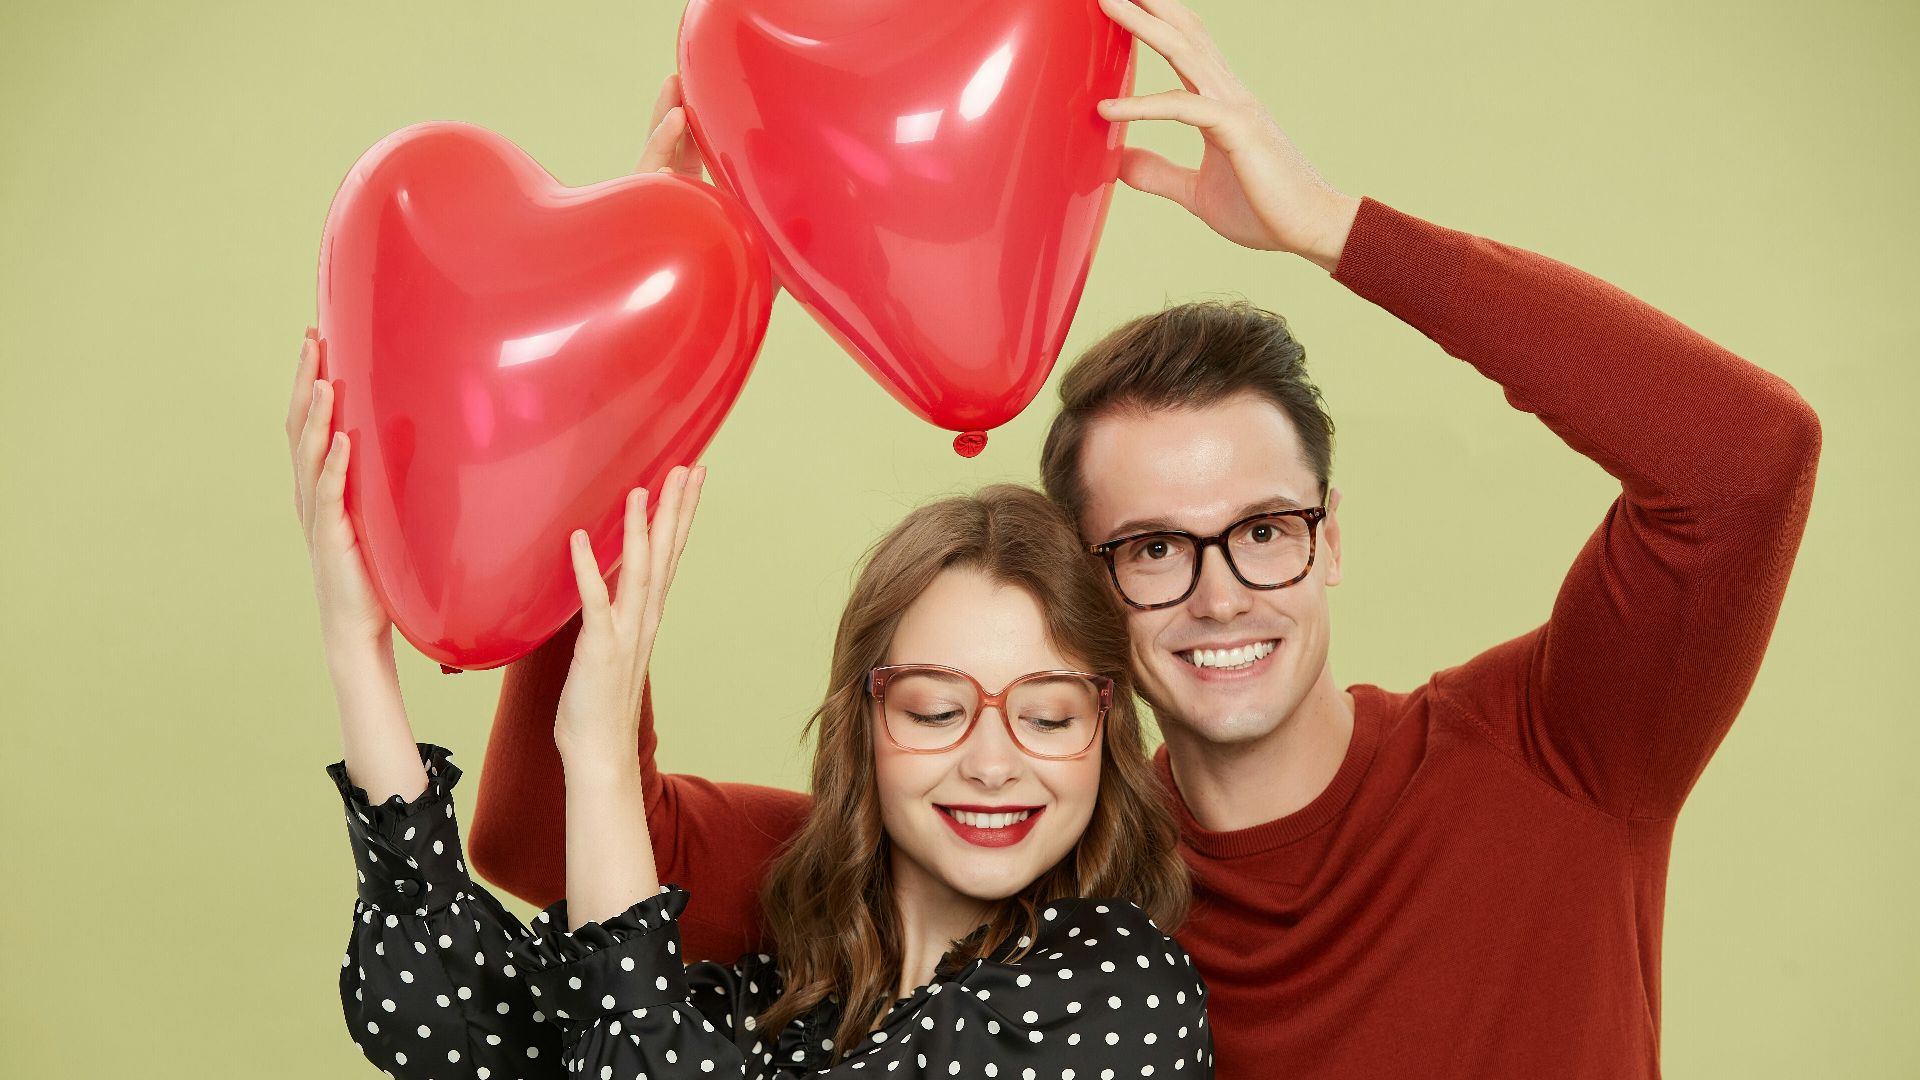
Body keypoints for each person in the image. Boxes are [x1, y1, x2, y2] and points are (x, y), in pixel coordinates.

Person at [465, 2, 1824, 1078]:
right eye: (1158, 549)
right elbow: (545, 833)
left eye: (1264, 531)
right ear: (1091, 594)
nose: (1222, 593)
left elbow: (1745, 464)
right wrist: (634, 369)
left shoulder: (1561, 754)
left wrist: (1336, 232)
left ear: (1331, 539)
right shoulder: (1012, 851)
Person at [287, 360, 1213, 1077]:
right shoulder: (784, 1003)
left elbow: (636, 1040)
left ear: (1107, 736)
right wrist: (358, 648)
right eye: (937, 710)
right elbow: (450, 1017)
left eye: (1048, 718)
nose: (993, 763)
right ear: (865, 726)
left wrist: (602, 757)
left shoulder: (1117, 991)